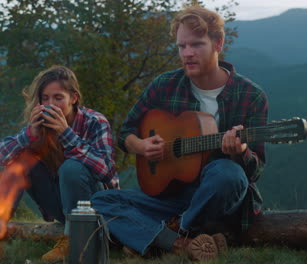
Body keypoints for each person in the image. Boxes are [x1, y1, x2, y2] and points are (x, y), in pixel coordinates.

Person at [91, 5, 268, 261]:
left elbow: (255, 171)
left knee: (228, 174)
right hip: (169, 195)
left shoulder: (251, 96)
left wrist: (241, 152)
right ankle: (181, 243)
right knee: (100, 200)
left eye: (196, 45)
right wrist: (140, 146)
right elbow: (125, 132)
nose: (187, 53)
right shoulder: (165, 85)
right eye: (181, 47)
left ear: (218, 43)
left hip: (215, 198)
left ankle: (166, 233)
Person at [0, 65, 119, 263]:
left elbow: (107, 172)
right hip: (60, 204)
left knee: (71, 167)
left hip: (95, 207)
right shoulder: (40, 124)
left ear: (74, 98)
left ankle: (71, 239)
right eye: (45, 98)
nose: (50, 104)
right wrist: (30, 135)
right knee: (21, 158)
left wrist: (66, 134)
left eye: (58, 98)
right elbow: (1, 157)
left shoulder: (95, 121)